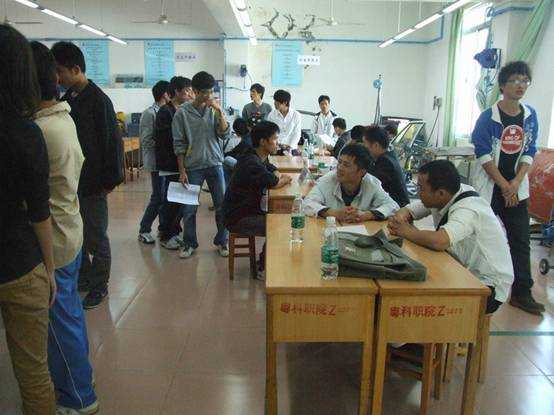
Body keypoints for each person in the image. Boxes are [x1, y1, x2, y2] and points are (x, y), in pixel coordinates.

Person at [31, 41, 98, 415]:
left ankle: (78, 396)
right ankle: (81, 381)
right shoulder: (63, 117)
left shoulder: (41, 131)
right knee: (69, 313)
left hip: (54, 237)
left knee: (60, 322)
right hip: (68, 228)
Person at [0, 24, 56, 414]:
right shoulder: (26, 133)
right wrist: (49, 270)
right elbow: (39, 212)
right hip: (20, 262)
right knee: (33, 372)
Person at [51, 41, 124, 309]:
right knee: (76, 234)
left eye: (60, 71)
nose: (57, 78)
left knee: (96, 236)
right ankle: (84, 276)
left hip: (94, 184)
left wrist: (109, 182)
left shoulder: (99, 101)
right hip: (73, 183)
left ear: (76, 69)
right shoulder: (67, 100)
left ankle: (100, 284)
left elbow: (112, 144)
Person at [388, 160, 514, 314]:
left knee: (415, 298)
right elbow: (408, 211)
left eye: (421, 188)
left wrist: (406, 231)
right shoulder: (447, 194)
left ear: (440, 193)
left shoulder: (468, 208)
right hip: (462, 269)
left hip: (487, 286)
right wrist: (400, 218)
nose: (417, 192)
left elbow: (440, 241)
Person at [471, 61, 544, 315]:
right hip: (491, 187)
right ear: (502, 86)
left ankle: (522, 293)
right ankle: (479, 286)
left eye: (524, 81)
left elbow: (530, 150)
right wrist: (504, 185)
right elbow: (483, 153)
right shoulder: (487, 117)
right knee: (481, 239)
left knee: (521, 241)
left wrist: (515, 183)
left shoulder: (530, 116)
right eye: (514, 80)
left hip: (516, 188)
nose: (520, 85)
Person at [223, 121, 293, 278]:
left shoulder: (256, 155)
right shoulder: (251, 162)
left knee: (279, 220)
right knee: (279, 227)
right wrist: (282, 179)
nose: (277, 143)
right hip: (238, 216)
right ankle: (263, 267)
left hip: (248, 210)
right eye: (274, 139)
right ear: (263, 142)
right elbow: (274, 182)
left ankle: (264, 261)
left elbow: (272, 170)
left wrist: (276, 176)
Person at [173, 71, 231, 259]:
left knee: (222, 205)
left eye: (211, 91)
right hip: (193, 166)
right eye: (205, 92)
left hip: (215, 164)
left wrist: (220, 112)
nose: (209, 96)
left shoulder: (214, 110)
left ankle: (222, 241)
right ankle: (189, 243)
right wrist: (182, 171)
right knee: (189, 208)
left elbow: (224, 134)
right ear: (195, 91)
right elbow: (179, 144)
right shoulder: (182, 113)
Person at [303, 144, 399, 222]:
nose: (339, 168)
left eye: (346, 165)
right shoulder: (328, 179)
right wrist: (333, 213)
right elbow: (307, 203)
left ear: (362, 171)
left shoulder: (372, 184)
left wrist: (367, 215)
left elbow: (393, 207)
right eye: (339, 162)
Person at [154, 76, 193, 250]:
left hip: (183, 162)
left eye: (191, 90)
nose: (190, 94)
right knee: (171, 202)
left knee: (180, 202)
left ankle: (174, 232)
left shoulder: (184, 110)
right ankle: (165, 235)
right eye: (187, 90)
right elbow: (169, 139)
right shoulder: (166, 111)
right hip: (170, 163)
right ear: (177, 91)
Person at [137, 80, 170, 245]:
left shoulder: (166, 111)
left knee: (165, 197)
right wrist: (165, 145)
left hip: (165, 161)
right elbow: (147, 140)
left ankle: (163, 229)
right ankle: (144, 229)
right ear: (165, 94)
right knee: (158, 196)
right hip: (156, 161)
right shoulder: (150, 113)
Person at [362, 124, 410, 207]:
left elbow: (371, 183)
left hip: (397, 208)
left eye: (365, 144)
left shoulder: (385, 162)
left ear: (376, 145)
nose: (364, 148)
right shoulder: (389, 155)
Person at [223, 117, 252, 185]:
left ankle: (226, 186)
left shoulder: (245, 142)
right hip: (250, 165)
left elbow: (233, 152)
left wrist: (221, 155)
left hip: (247, 168)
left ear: (237, 131)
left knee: (225, 160)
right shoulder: (249, 137)